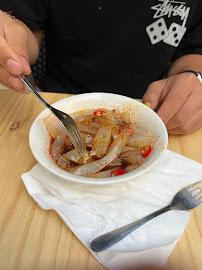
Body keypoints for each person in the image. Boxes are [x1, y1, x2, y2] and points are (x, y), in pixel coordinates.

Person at [0, 0, 202, 135]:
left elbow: (195, 48)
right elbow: (26, 30)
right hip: (58, 102)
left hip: (152, 108)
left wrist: (195, 77)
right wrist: (11, 45)